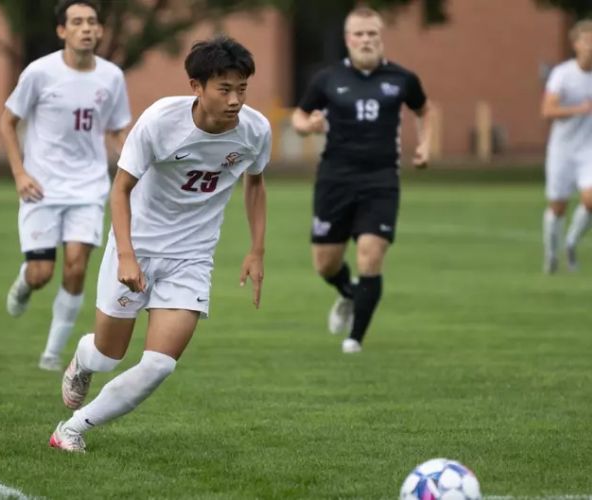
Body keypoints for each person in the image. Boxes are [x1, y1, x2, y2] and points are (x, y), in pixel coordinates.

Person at [48, 35, 270, 453]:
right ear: (196, 87)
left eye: (242, 88)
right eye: (224, 89)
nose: (235, 100)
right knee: (108, 356)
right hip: (137, 248)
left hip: (192, 256)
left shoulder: (255, 130)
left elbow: (255, 184)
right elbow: (121, 190)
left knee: (159, 364)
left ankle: (72, 429)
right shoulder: (159, 122)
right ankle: (83, 358)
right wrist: (127, 257)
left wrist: (256, 250)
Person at [291, 6, 432, 353]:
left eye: (372, 33)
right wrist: (307, 126)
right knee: (326, 264)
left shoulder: (402, 79)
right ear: (347, 39)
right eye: (359, 34)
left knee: (371, 255)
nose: (366, 40)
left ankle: (354, 339)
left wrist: (426, 145)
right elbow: (299, 114)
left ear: (380, 37)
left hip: (380, 179)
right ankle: (349, 293)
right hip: (334, 179)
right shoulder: (327, 79)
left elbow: (425, 110)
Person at [0, 0, 131, 371]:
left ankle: (51, 353)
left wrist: (131, 156)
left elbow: (118, 128)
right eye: (77, 22)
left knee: (75, 266)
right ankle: (25, 284)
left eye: (92, 22)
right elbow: (7, 123)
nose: (86, 28)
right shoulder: (39, 73)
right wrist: (20, 174)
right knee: (42, 273)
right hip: (41, 186)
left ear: (100, 30)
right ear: (62, 31)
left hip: (89, 187)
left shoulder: (112, 77)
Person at [541, 19, 592, 274]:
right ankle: (551, 256)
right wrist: (578, 109)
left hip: (589, 150)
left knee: (591, 199)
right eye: (587, 40)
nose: (591, 45)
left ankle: (571, 243)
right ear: (576, 45)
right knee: (557, 207)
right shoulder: (563, 73)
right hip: (562, 150)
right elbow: (548, 110)